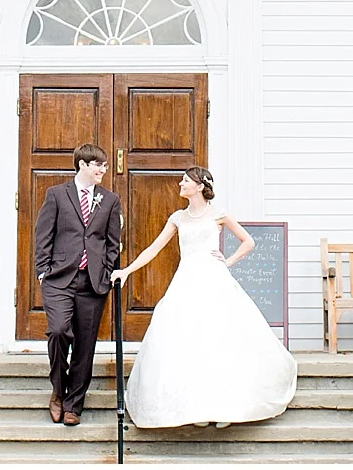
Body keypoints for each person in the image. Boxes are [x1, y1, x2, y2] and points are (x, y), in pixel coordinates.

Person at [111, 166, 297, 428]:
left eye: (185, 181)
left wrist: (228, 261)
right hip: (186, 281)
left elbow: (248, 241)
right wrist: (127, 270)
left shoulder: (218, 214)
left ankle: (225, 409)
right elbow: (153, 248)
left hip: (214, 279)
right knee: (188, 341)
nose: (180, 183)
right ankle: (195, 408)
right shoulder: (177, 217)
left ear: (199, 186)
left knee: (219, 340)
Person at [31, 142, 122, 426]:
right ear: (82, 165)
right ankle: (58, 390)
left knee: (85, 344)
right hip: (59, 278)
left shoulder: (109, 200)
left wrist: (106, 271)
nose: (103, 170)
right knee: (58, 331)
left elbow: (112, 242)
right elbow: (43, 234)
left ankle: (74, 405)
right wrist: (43, 271)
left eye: (105, 165)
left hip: (93, 282)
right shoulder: (56, 195)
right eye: (99, 165)